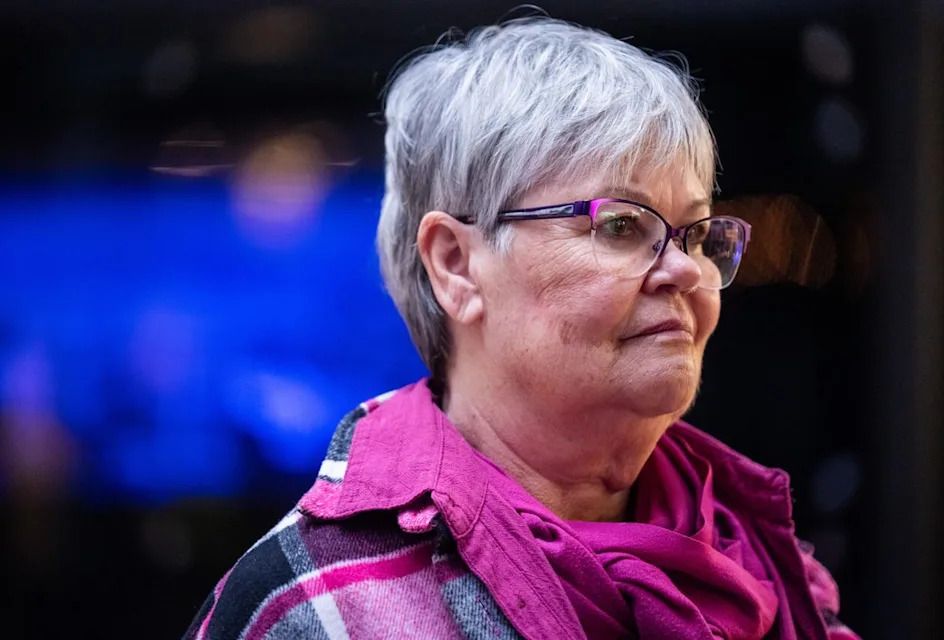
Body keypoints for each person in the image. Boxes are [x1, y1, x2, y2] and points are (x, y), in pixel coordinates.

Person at [184, 17, 858, 640]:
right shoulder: (314, 609)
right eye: (622, 224)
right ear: (456, 266)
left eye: (697, 231)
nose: (685, 272)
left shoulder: (768, 560)